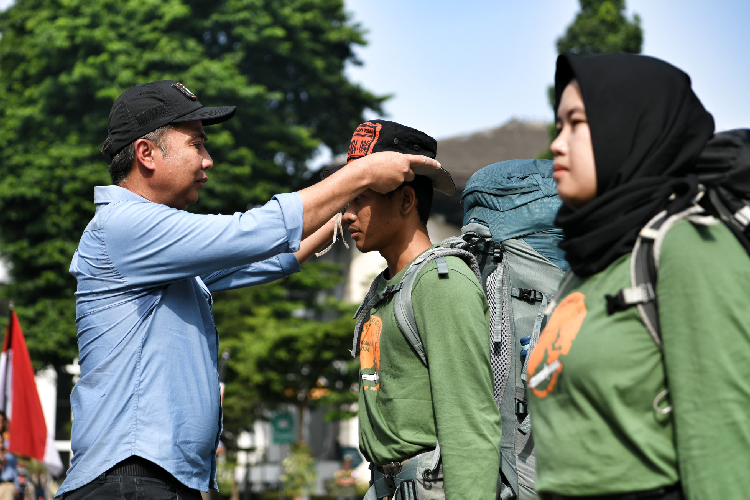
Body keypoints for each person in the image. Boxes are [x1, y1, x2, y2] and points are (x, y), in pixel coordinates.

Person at [56, 81, 439, 499]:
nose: (208, 160)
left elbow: (266, 258)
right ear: (146, 154)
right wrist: (360, 175)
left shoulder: (163, 255)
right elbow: (253, 233)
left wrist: (351, 211)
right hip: (128, 482)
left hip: (147, 481)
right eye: (197, 144)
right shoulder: (124, 228)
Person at [526, 53, 750, 499]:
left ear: (629, 127)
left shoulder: (685, 246)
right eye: (557, 126)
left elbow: (723, 436)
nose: (557, 142)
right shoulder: (587, 263)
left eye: (577, 123)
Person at [343, 120, 501, 499]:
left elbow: (470, 424)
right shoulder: (386, 286)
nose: (346, 214)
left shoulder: (441, 283)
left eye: (359, 198)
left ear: (406, 201)